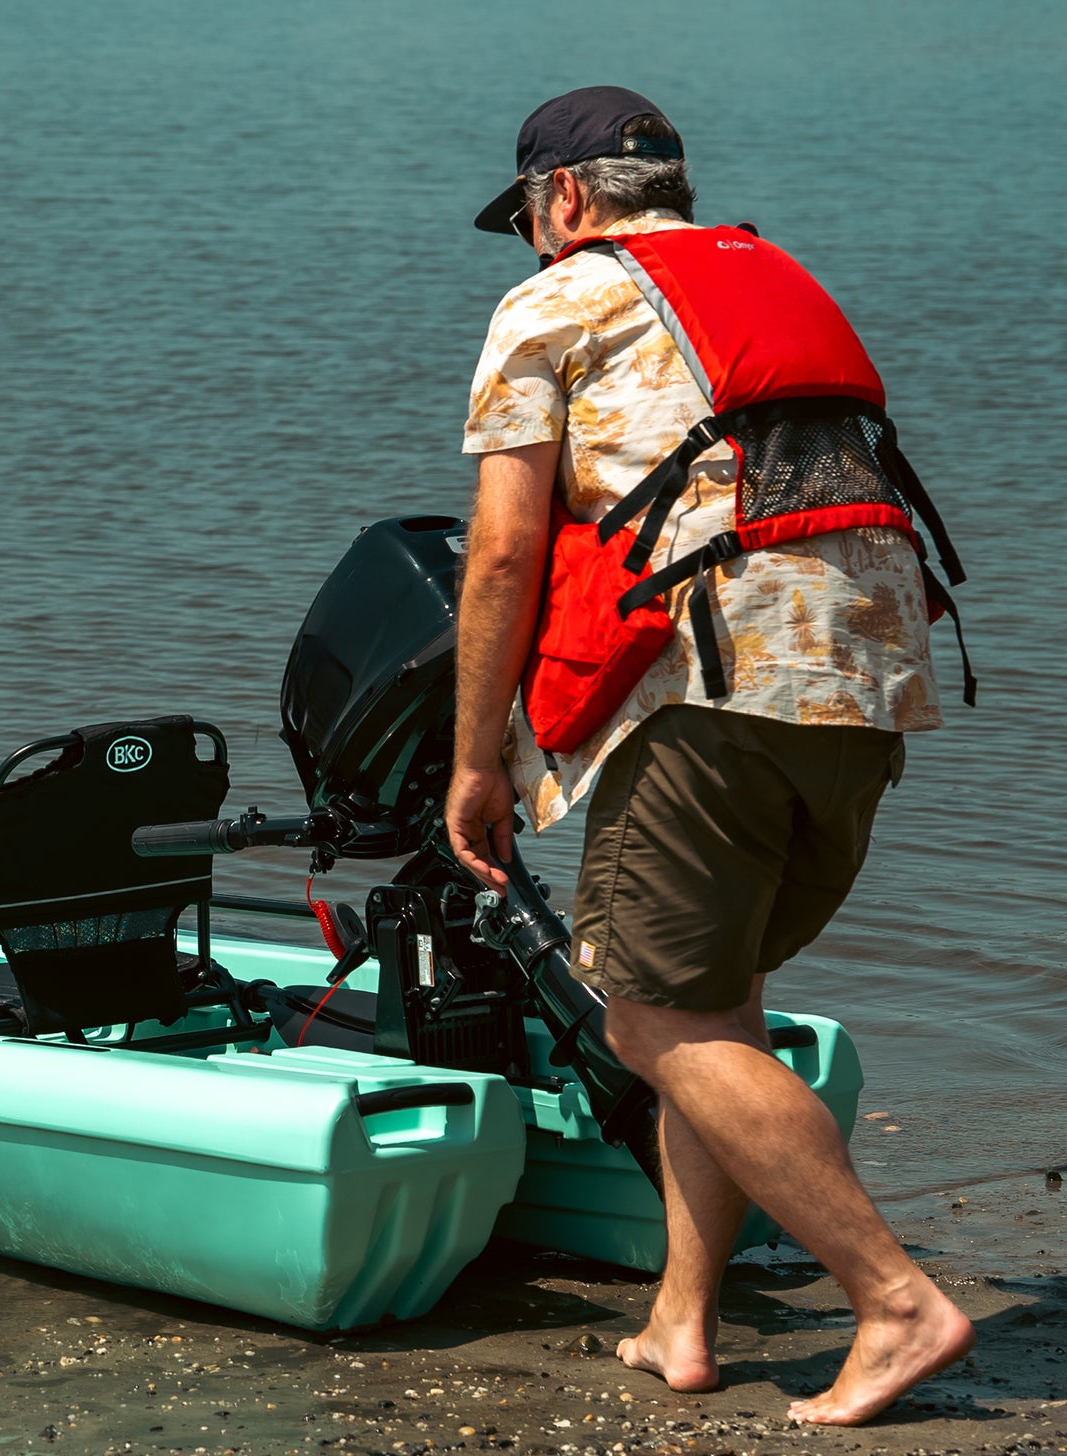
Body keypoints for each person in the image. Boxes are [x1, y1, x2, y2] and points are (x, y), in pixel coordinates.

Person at [446, 86, 973, 1426]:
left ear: (563, 200)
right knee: (717, 998)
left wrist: (477, 762)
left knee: (648, 1015)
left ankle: (896, 1300)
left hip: (704, 690)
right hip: (863, 686)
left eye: (531, 219)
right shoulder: (768, 272)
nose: (532, 243)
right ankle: (681, 1318)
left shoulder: (553, 305)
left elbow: (505, 550)